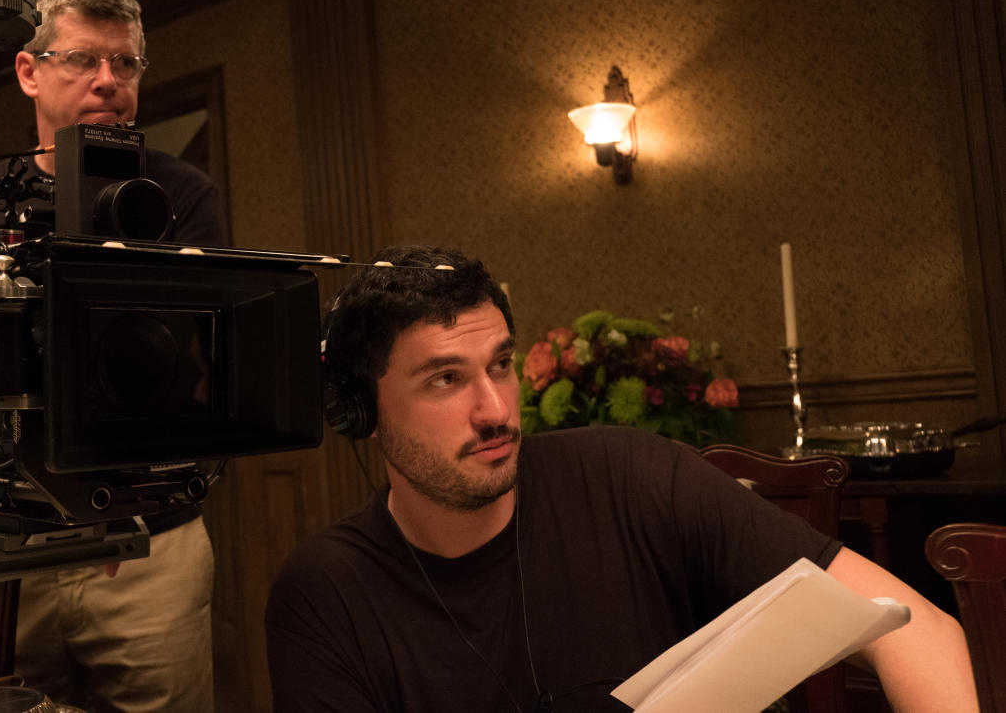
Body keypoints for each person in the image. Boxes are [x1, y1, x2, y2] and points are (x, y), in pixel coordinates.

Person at [265, 245, 977, 712]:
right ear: (361, 412)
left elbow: (920, 629)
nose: (494, 410)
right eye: (445, 379)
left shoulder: (633, 478)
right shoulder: (326, 593)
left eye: (502, 366)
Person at [0, 0, 226, 712]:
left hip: (145, 543)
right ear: (29, 72)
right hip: (7, 547)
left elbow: (192, 351)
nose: (108, 81)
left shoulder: (182, 191)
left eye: (124, 64)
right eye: (83, 60)